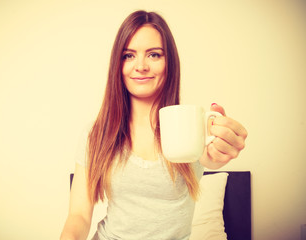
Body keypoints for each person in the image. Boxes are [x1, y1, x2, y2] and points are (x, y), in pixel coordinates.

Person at [60, 10, 247, 240]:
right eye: (129, 55)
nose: (141, 66)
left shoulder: (195, 128)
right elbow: (78, 215)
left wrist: (223, 145)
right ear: (117, 64)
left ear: (170, 62)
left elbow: (211, 156)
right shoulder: (95, 134)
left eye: (154, 55)